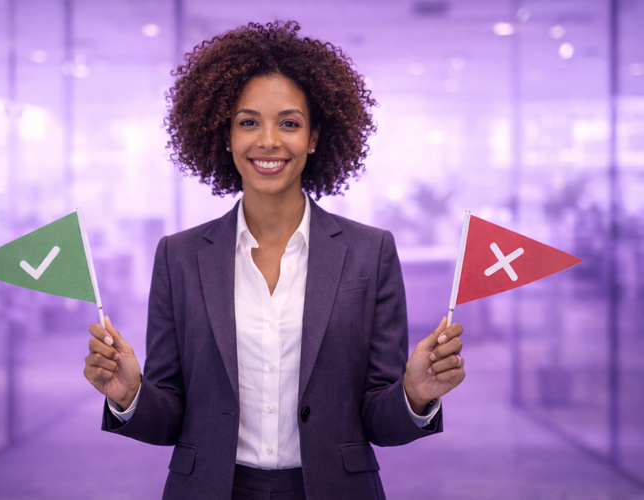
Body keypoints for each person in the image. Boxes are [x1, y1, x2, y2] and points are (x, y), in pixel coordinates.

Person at [83, 20, 465, 500]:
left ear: (314, 137)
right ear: (224, 136)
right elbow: (170, 421)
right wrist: (129, 396)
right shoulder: (178, 257)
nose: (268, 141)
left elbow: (378, 421)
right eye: (248, 122)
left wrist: (414, 395)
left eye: (289, 122)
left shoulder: (371, 252)